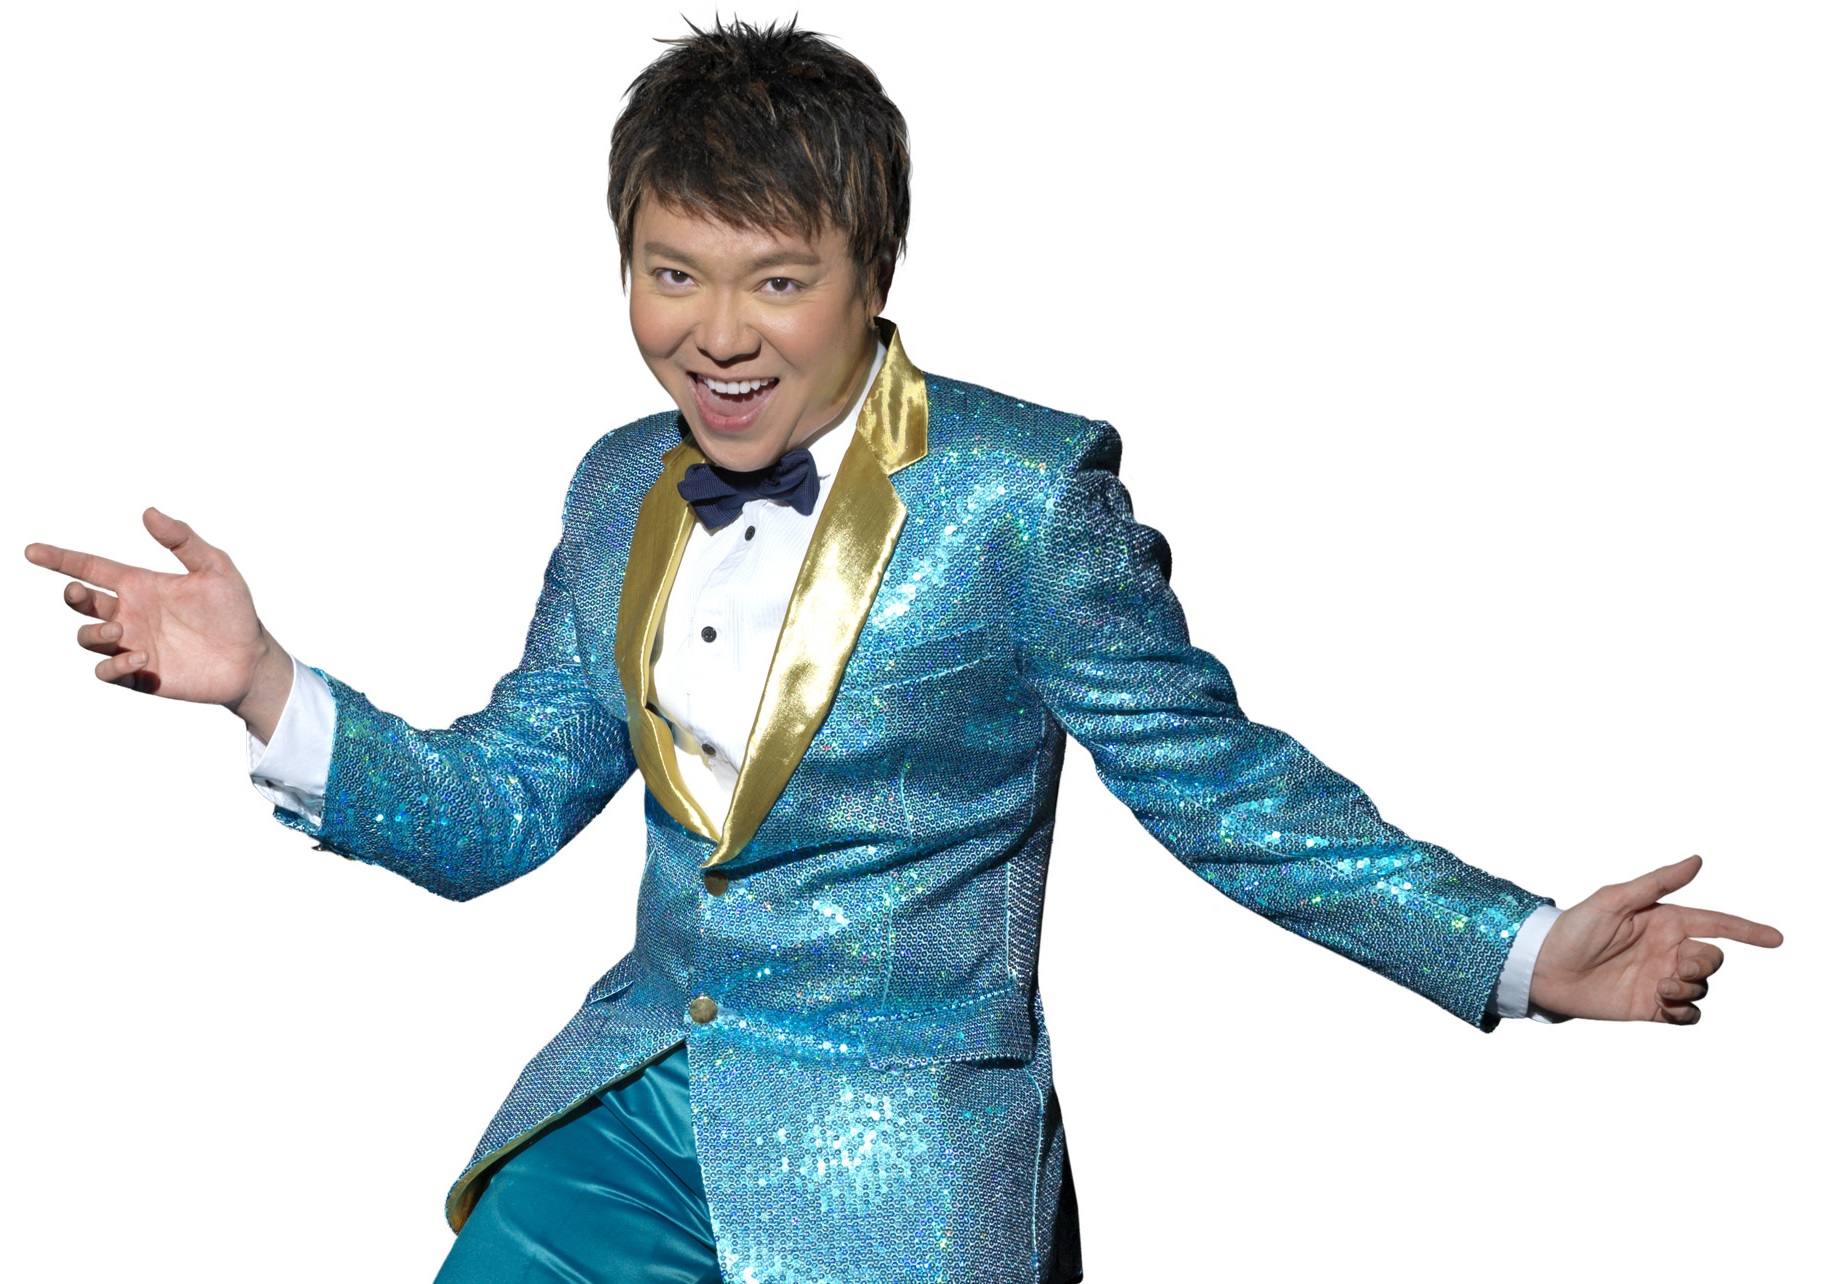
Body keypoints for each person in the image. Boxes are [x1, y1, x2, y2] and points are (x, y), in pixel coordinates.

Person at [21, 18, 1787, 1284]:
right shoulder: (617, 484)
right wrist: (266, 684)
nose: (716, 336)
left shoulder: (1023, 495)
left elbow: (1223, 791)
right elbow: (497, 810)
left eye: (776, 280)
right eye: (672, 274)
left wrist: (1518, 949)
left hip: (898, 1164)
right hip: (637, 1104)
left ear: (873, 275)